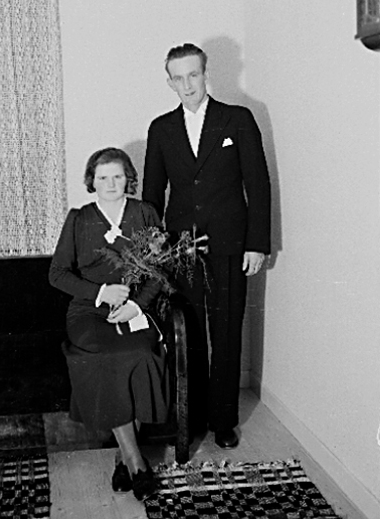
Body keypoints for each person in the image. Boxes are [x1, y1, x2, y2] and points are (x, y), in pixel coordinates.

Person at [142, 43, 271, 449]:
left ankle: (223, 420)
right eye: (178, 78)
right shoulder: (161, 129)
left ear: (205, 74)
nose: (187, 85)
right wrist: (156, 248)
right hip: (182, 251)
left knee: (227, 332)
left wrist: (257, 244)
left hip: (230, 246)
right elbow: (152, 194)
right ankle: (192, 416)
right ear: (169, 82)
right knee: (189, 334)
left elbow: (258, 185)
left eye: (193, 75)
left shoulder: (237, 119)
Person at [49, 147, 169, 501]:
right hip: (89, 312)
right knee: (105, 355)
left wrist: (135, 306)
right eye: (103, 177)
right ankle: (136, 463)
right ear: (92, 181)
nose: (111, 184)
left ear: (128, 179)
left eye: (118, 176)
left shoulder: (144, 213)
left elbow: (160, 269)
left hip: (134, 309)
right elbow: (57, 273)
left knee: (140, 353)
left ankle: (124, 458)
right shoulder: (79, 219)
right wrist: (101, 292)